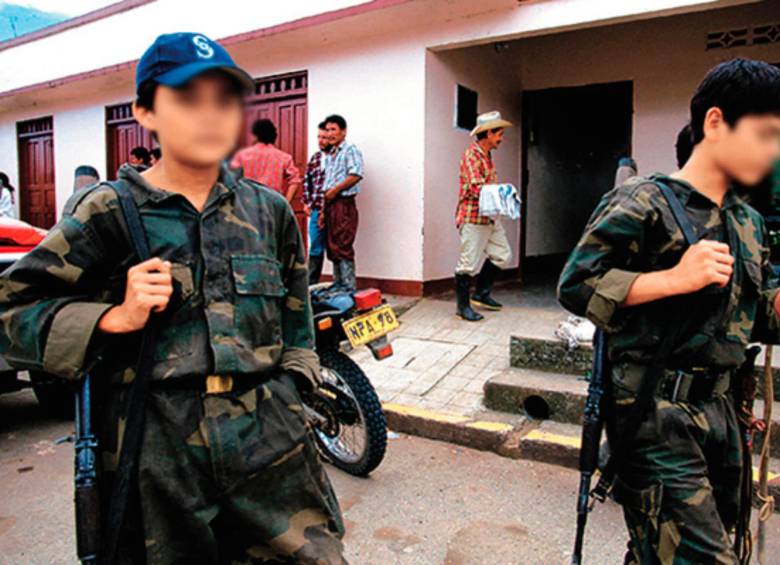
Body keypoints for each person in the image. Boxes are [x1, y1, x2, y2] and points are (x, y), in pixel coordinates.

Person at [0, 32, 346, 564]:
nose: (209, 116)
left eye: (224, 100)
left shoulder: (270, 212)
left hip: (271, 447)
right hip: (156, 456)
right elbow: (11, 308)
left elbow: (295, 325)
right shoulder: (109, 212)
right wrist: (113, 317)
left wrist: (291, 396)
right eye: (187, 99)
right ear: (146, 111)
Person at [558, 58, 780, 564]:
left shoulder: (745, 220)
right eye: (766, 134)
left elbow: (756, 313)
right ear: (716, 123)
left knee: (696, 544)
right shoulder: (643, 202)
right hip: (655, 412)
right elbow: (575, 284)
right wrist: (672, 279)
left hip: (723, 412)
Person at [454, 110, 513, 322]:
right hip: (473, 217)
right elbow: (475, 187)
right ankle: (463, 307)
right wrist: (502, 195)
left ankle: (481, 293)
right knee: (467, 264)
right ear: (488, 134)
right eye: (499, 134)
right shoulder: (472, 155)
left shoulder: (486, 155)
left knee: (502, 255)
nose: (501, 139)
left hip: (488, 217)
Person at [321, 114, 364, 291]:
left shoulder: (350, 150)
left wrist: (335, 191)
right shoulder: (330, 154)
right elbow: (327, 185)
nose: (330, 134)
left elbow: (356, 174)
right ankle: (338, 287)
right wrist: (323, 211)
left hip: (343, 204)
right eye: (327, 130)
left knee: (343, 245)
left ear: (343, 132)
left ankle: (348, 289)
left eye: (333, 130)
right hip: (331, 204)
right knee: (333, 248)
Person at [230, 118, 302, 203]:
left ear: (255, 135)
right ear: (274, 136)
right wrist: (286, 203)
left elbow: (229, 179)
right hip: (272, 204)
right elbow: (295, 180)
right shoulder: (284, 157)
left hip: (246, 204)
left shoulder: (242, 155)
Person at [303, 121, 331, 284]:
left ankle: (340, 284)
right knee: (315, 247)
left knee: (335, 248)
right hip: (315, 210)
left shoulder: (337, 157)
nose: (321, 141)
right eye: (319, 137)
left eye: (325, 137)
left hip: (332, 209)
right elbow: (307, 180)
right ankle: (310, 283)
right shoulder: (315, 158)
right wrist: (306, 202)